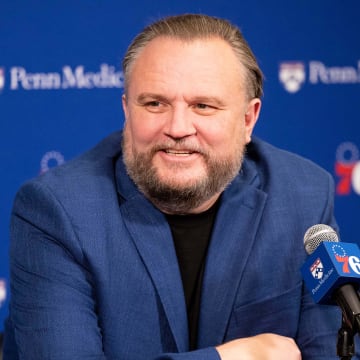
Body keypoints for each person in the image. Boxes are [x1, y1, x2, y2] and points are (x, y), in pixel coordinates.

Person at [3, 13, 355, 360]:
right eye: (155, 103)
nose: (178, 127)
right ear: (128, 111)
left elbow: (331, 351)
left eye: (203, 106)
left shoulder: (302, 195)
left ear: (248, 119)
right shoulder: (56, 211)